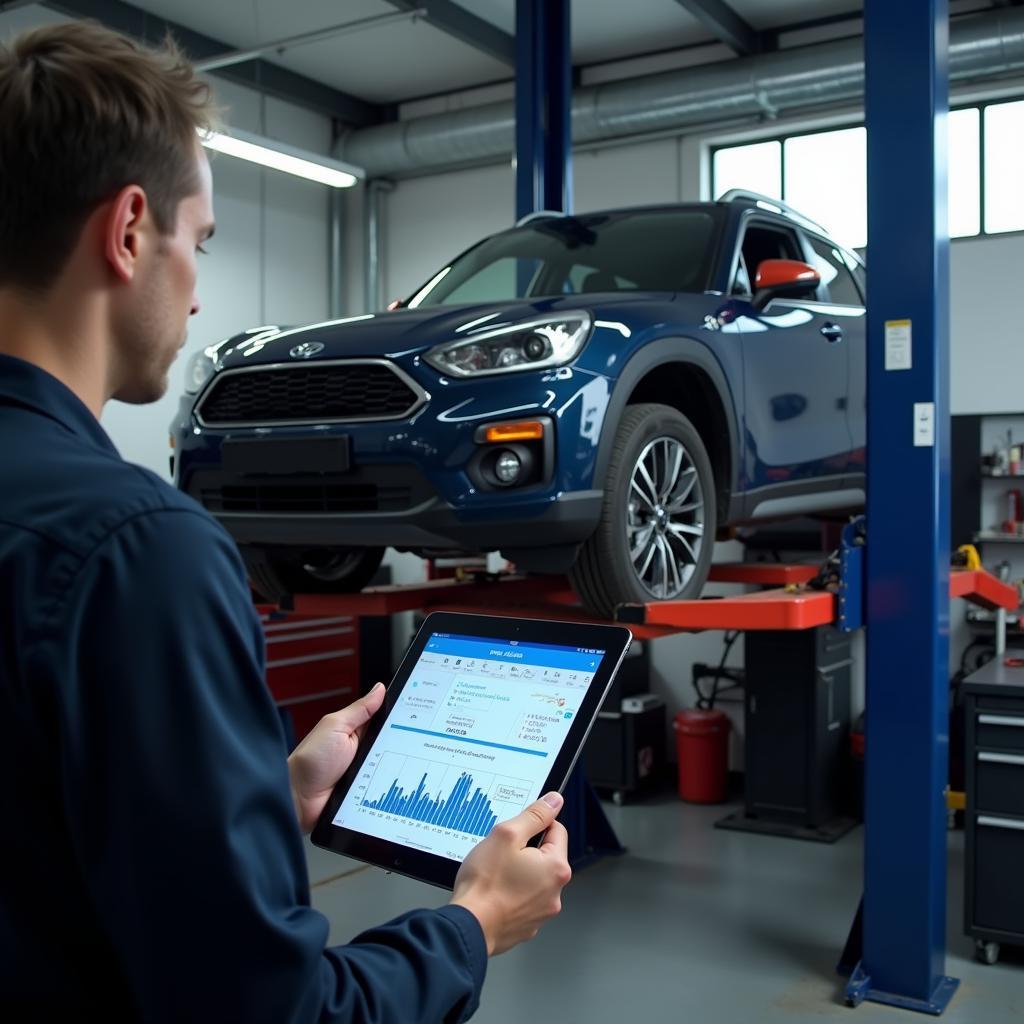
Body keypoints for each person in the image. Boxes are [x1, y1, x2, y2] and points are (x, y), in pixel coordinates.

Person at [0, 21, 572, 1022]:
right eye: (200, 240)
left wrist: (250, 792)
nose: (198, 288)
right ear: (131, 231)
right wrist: (471, 924)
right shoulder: (142, 553)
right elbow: (274, 1012)